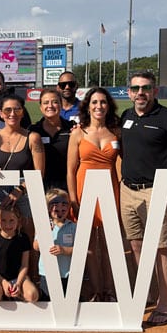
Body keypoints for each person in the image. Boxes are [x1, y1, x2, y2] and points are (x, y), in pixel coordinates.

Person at [120, 70, 167, 326]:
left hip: (154, 190)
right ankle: (146, 292)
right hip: (127, 189)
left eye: (146, 88)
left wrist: (166, 187)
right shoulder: (126, 116)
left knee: (161, 247)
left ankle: (165, 304)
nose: (141, 92)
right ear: (129, 92)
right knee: (136, 245)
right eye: (136, 88)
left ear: (155, 91)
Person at [67, 87, 121, 302]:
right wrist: (73, 198)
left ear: (109, 106)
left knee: (110, 244)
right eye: (95, 102)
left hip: (110, 188)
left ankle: (109, 289)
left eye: (103, 102)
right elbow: (70, 170)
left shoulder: (116, 132)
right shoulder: (78, 133)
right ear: (87, 106)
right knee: (88, 245)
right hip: (83, 189)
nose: (99, 106)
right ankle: (96, 290)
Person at [0, 94, 44, 240]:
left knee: (30, 232)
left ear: (22, 112)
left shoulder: (33, 138)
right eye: (7, 110)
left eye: (17, 109)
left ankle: (30, 264)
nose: (12, 114)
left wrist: (20, 190)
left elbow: (39, 172)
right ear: (1, 113)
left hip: (25, 190)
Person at [0, 204, 39, 303]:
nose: (8, 225)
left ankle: (15, 294)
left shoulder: (23, 238)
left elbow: (24, 266)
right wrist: (3, 282)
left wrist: (18, 284)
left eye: (11, 220)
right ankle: (4, 296)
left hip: (18, 278)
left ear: (18, 221)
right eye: (3, 220)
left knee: (32, 295)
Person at [34, 189, 76, 301]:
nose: (60, 209)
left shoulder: (73, 227)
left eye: (64, 205)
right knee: (49, 301)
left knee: (67, 302)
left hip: (67, 274)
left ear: (69, 207)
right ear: (48, 208)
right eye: (55, 205)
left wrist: (64, 250)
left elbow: (80, 249)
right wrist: (45, 233)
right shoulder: (44, 225)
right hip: (47, 273)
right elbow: (36, 246)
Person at [29, 88, 74, 191]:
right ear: (41, 107)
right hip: (40, 187)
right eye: (46, 103)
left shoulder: (72, 128)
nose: (50, 106)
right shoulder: (33, 130)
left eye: (55, 102)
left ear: (61, 105)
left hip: (67, 186)